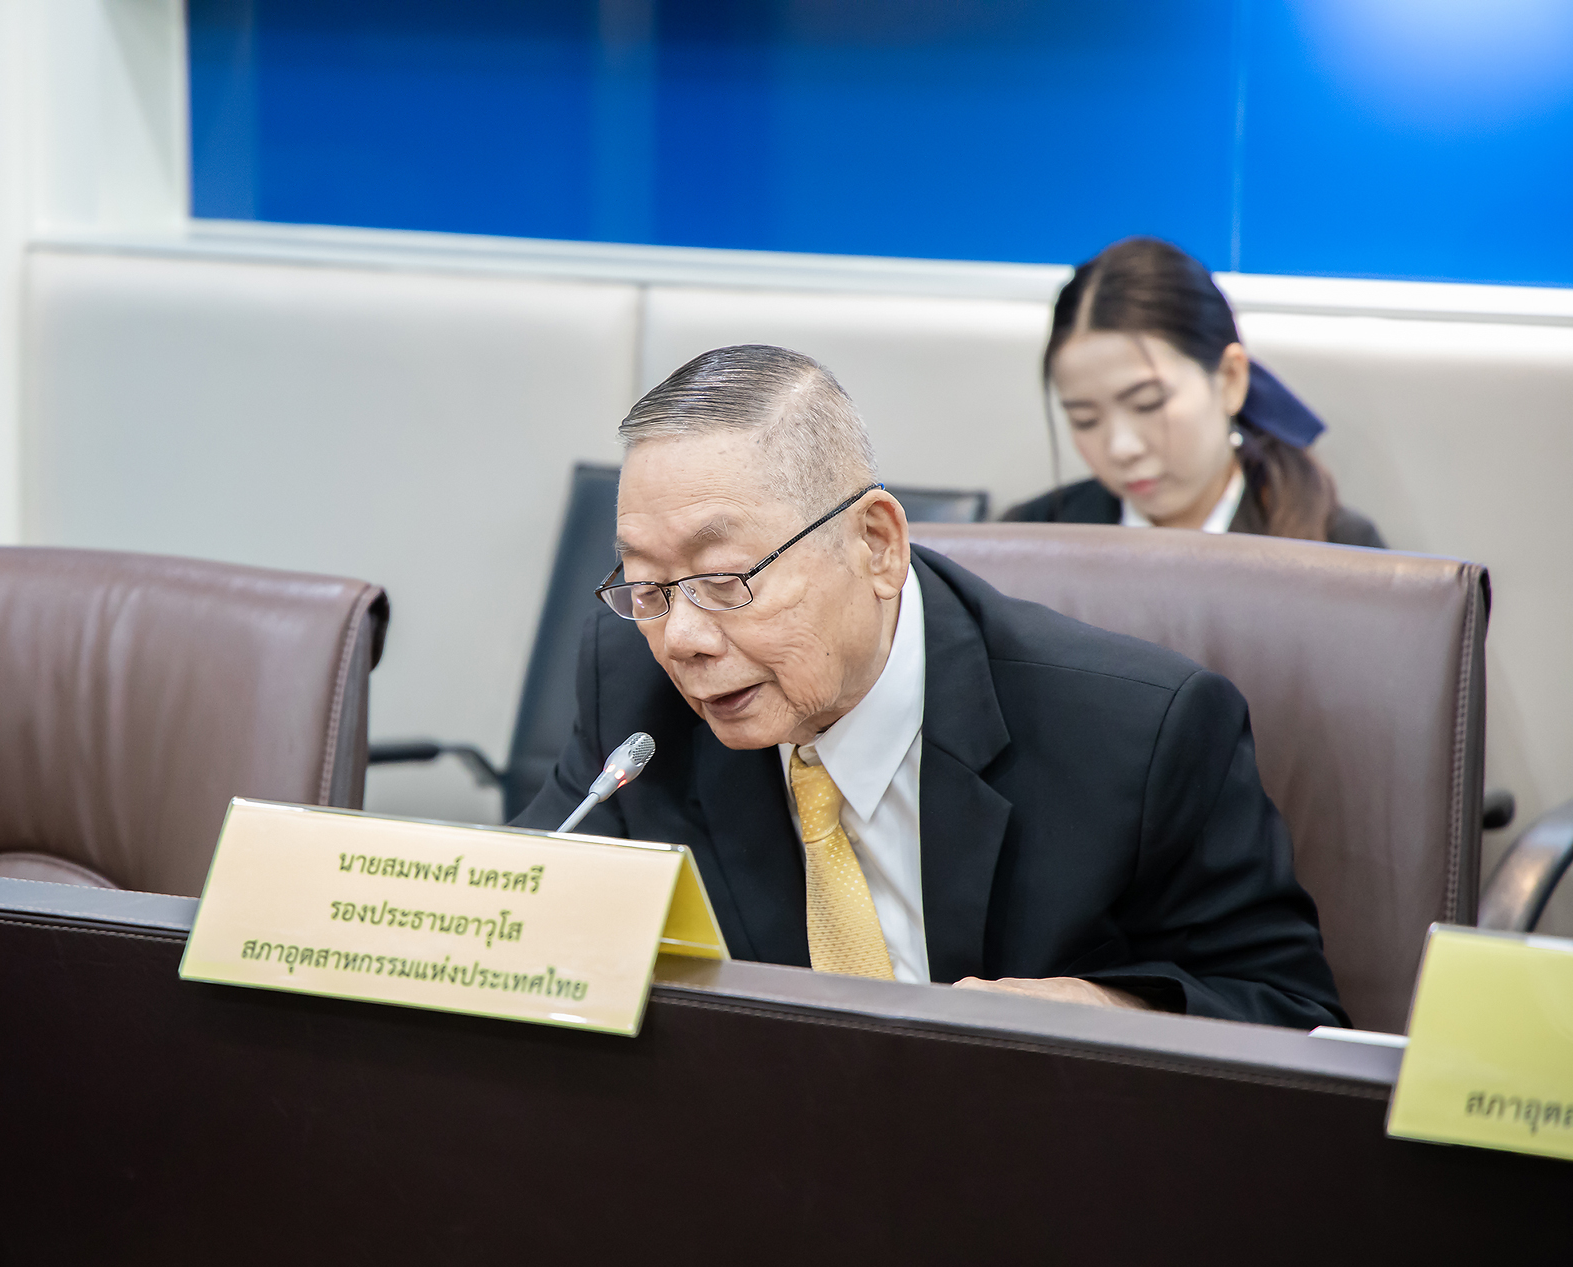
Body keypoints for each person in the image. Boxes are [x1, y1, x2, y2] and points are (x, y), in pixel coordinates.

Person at [513, 344, 1346, 1030]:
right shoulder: (632, 685)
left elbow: (1288, 1014)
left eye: (725, 578)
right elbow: (523, 923)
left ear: (876, 545)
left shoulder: (1139, 733)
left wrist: (1107, 1012)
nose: (682, 639)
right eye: (647, 587)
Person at [1004, 237, 1384, 547]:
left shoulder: (1337, 551)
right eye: (1085, 420)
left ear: (1230, 380)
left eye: (1147, 404)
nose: (1122, 448)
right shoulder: (1026, 543)